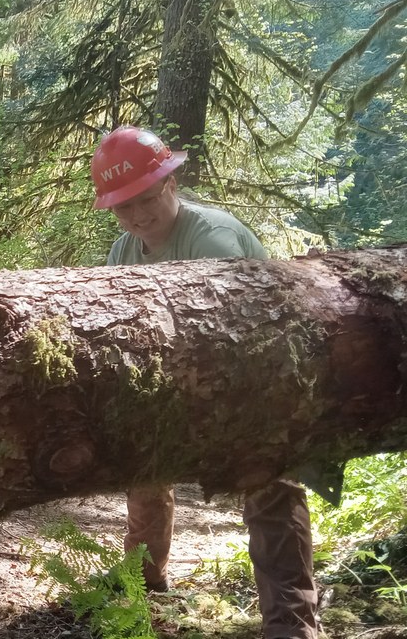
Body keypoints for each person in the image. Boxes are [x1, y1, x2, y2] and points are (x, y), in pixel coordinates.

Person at [91, 126, 318, 639]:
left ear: (171, 184)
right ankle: (142, 582)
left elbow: (241, 333)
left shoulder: (211, 236)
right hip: (184, 381)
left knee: (269, 489)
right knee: (144, 467)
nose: (137, 215)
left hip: (261, 382)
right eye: (123, 207)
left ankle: (292, 622)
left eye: (146, 199)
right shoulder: (122, 251)